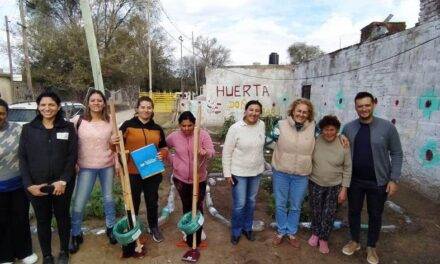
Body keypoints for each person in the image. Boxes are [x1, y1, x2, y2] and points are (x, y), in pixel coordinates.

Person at [341, 92, 403, 264]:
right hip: (355, 181)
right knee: (353, 212)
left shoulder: (387, 128)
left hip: (379, 181)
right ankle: (354, 242)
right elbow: (342, 150)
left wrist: (394, 178)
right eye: (360, 106)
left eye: (367, 105)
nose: (364, 109)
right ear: (355, 107)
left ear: (374, 104)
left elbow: (397, 153)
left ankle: (371, 247)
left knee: (375, 214)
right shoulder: (348, 128)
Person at [19, 91, 78, 264]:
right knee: (43, 220)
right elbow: (23, 158)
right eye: (43, 105)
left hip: (62, 185)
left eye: (51, 105)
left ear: (58, 107)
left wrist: (63, 180)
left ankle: (64, 252)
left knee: (62, 217)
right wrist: (29, 185)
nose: (47, 108)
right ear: (38, 107)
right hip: (37, 186)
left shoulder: (67, 127)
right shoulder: (28, 129)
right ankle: (46, 255)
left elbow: (71, 156)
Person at [69, 89, 118, 254]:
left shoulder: (110, 120)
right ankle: (75, 233)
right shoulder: (78, 121)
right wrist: (72, 162)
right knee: (79, 200)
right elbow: (70, 143)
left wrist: (117, 163)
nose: (96, 103)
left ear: (104, 103)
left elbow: (116, 146)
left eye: (99, 100)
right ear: (88, 103)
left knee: (109, 198)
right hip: (85, 166)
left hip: (107, 165)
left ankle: (110, 228)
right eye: (93, 100)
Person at [119, 96, 168, 257]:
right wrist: (113, 142)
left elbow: (164, 147)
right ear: (137, 108)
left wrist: (162, 154)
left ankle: (153, 226)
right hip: (132, 172)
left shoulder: (157, 129)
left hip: (152, 171)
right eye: (143, 107)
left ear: (152, 110)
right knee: (132, 202)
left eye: (149, 107)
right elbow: (115, 147)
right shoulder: (127, 126)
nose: (146, 110)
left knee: (152, 200)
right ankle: (133, 230)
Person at [271, 98, 315, 248]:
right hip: (281, 172)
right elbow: (268, 140)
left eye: (305, 112)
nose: (301, 114)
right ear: (293, 111)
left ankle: (291, 232)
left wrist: (342, 137)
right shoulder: (280, 125)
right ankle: (281, 231)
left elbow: (331, 134)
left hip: (301, 174)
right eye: (299, 111)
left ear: (309, 114)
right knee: (280, 204)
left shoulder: (314, 128)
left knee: (296, 205)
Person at [166, 111, 215, 248]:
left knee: (198, 206)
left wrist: (205, 152)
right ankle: (188, 231)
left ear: (194, 124)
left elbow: (212, 151)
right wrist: (172, 159)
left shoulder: (202, 135)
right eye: (183, 126)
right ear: (179, 125)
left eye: (190, 125)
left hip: (198, 178)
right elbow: (165, 147)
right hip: (180, 179)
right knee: (187, 206)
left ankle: (198, 234)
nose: (186, 128)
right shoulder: (174, 136)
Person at [222, 100, 265, 245]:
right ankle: (236, 231)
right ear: (245, 111)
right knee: (240, 204)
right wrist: (227, 173)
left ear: (260, 112)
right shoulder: (235, 128)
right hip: (239, 172)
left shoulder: (262, 125)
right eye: (251, 110)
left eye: (257, 110)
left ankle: (248, 228)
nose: (254, 113)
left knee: (251, 202)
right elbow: (226, 152)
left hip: (256, 172)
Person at [0, 99, 38, 264]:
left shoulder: (18, 129)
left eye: (1, 113)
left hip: (18, 184)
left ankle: (24, 252)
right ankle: (5, 255)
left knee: (20, 218)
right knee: (1, 221)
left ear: (6, 114)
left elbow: (28, 153)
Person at [308, 115, 352, 254]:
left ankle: (324, 239)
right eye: (325, 129)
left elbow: (347, 168)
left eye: (332, 129)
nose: (329, 132)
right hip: (315, 182)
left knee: (329, 213)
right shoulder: (316, 140)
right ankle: (315, 233)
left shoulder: (343, 143)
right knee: (316, 210)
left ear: (337, 130)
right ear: (321, 130)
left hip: (335, 186)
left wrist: (344, 189)